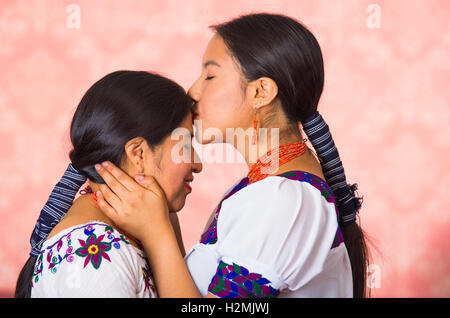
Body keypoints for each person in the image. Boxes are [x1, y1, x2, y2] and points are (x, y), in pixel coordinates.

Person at [93, 13, 369, 298]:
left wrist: (156, 233)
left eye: (210, 76)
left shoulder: (282, 200)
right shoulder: (267, 187)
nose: (192, 92)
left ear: (261, 91)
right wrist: (162, 217)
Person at [14, 70, 202, 297]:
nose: (197, 164)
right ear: (138, 154)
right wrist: (159, 234)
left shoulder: (120, 239)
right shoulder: (96, 254)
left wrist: (163, 229)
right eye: (185, 145)